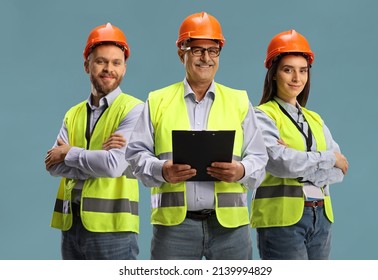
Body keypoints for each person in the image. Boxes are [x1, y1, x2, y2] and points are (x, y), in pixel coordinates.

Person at [126, 11, 268, 260]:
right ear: (182, 53)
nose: (206, 58)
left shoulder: (239, 101)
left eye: (212, 50)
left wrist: (242, 171)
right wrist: (162, 170)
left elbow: (259, 156)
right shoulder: (157, 101)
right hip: (174, 230)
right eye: (197, 50)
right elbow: (135, 154)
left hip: (230, 231)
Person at [44, 23, 144, 260]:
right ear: (87, 65)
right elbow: (52, 165)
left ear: (124, 68)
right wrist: (93, 159)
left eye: (116, 63)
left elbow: (112, 166)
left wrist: (69, 153)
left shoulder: (134, 110)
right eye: (101, 61)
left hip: (113, 229)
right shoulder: (73, 113)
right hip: (71, 225)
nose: (109, 68)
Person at [250, 29, 349, 260]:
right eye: (288, 70)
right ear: (274, 74)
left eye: (302, 71)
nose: (297, 78)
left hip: (321, 217)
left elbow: (340, 170)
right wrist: (327, 158)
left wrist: (300, 161)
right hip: (282, 221)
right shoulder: (262, 116)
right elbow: (282, 164)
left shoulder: (315, 119)